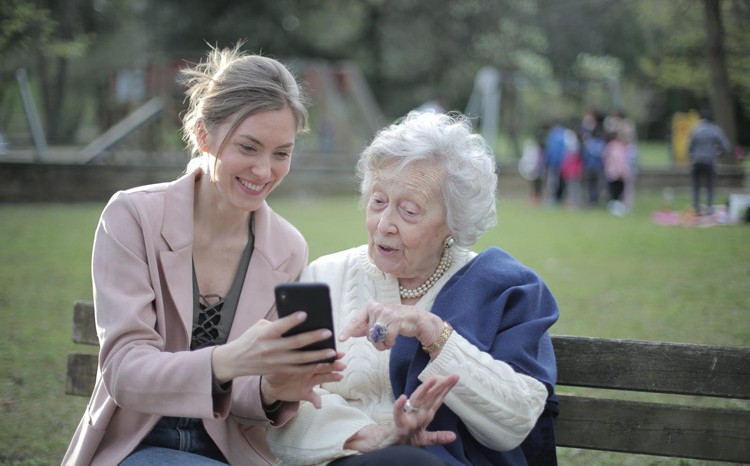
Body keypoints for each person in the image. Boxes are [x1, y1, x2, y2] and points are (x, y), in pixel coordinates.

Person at [63, 44, 345, 466]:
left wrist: (271, 388)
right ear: (202, 134)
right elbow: (124, 370)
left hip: (230, 454)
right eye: (248, 148)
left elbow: (246, 397)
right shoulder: (132, 216)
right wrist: (228, 359)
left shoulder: (288, 247)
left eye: (281, 153)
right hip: (136, 445)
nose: (265, 171)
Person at [266, 111, 560, 466]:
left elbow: (516, 422)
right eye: (378, 201)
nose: (384, 224)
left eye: (408, 211)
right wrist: (370, 436)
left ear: (455, 222)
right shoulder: (325, 276)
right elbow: (285, 398)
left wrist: (432, 332)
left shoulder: (505, 288)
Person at [688, 108, 732, 215]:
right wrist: (719, 153)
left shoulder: (695, 129)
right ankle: (709, 207)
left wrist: (693, 156)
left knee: (696, 185)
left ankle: (696, 207)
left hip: (696, 161)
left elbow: (689, 147)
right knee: (710, 185)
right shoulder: (715, 130)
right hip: (709, 161)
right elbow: (727, 146)